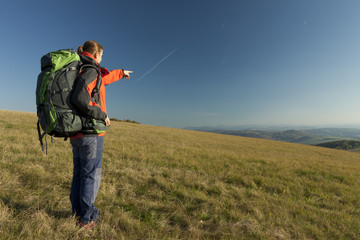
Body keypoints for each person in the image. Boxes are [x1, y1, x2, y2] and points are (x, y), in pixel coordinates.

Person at [69, 40, 132, 229]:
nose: (102, 58)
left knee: (80, 174)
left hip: (77, 134)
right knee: (90, 176)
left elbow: (103, 80)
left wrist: (121, 73)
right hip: (91, 134)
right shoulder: (90, 70)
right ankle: (87, 219)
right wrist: (101, 114)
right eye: (102, 55)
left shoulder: (81, 69)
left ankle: (77, 213)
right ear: (96, 55)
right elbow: (80, 98)